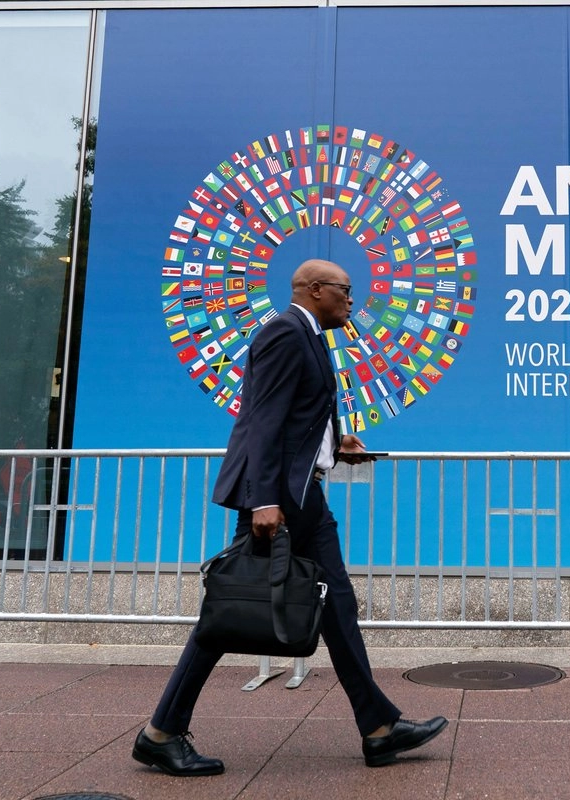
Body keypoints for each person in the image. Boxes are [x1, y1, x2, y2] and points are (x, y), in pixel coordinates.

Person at [132, 258, 447, 776]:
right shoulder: (284, 332)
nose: (352, 298)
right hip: (281, 500)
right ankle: (161, 732)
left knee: (336, 606)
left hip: (302, 496)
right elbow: (263, 419)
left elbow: (299, 413)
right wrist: (263, 500)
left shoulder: (308, 334)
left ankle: (379, 728)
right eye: (345, 289)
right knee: (227, 609)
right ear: (316, 289)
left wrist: (333, 444)